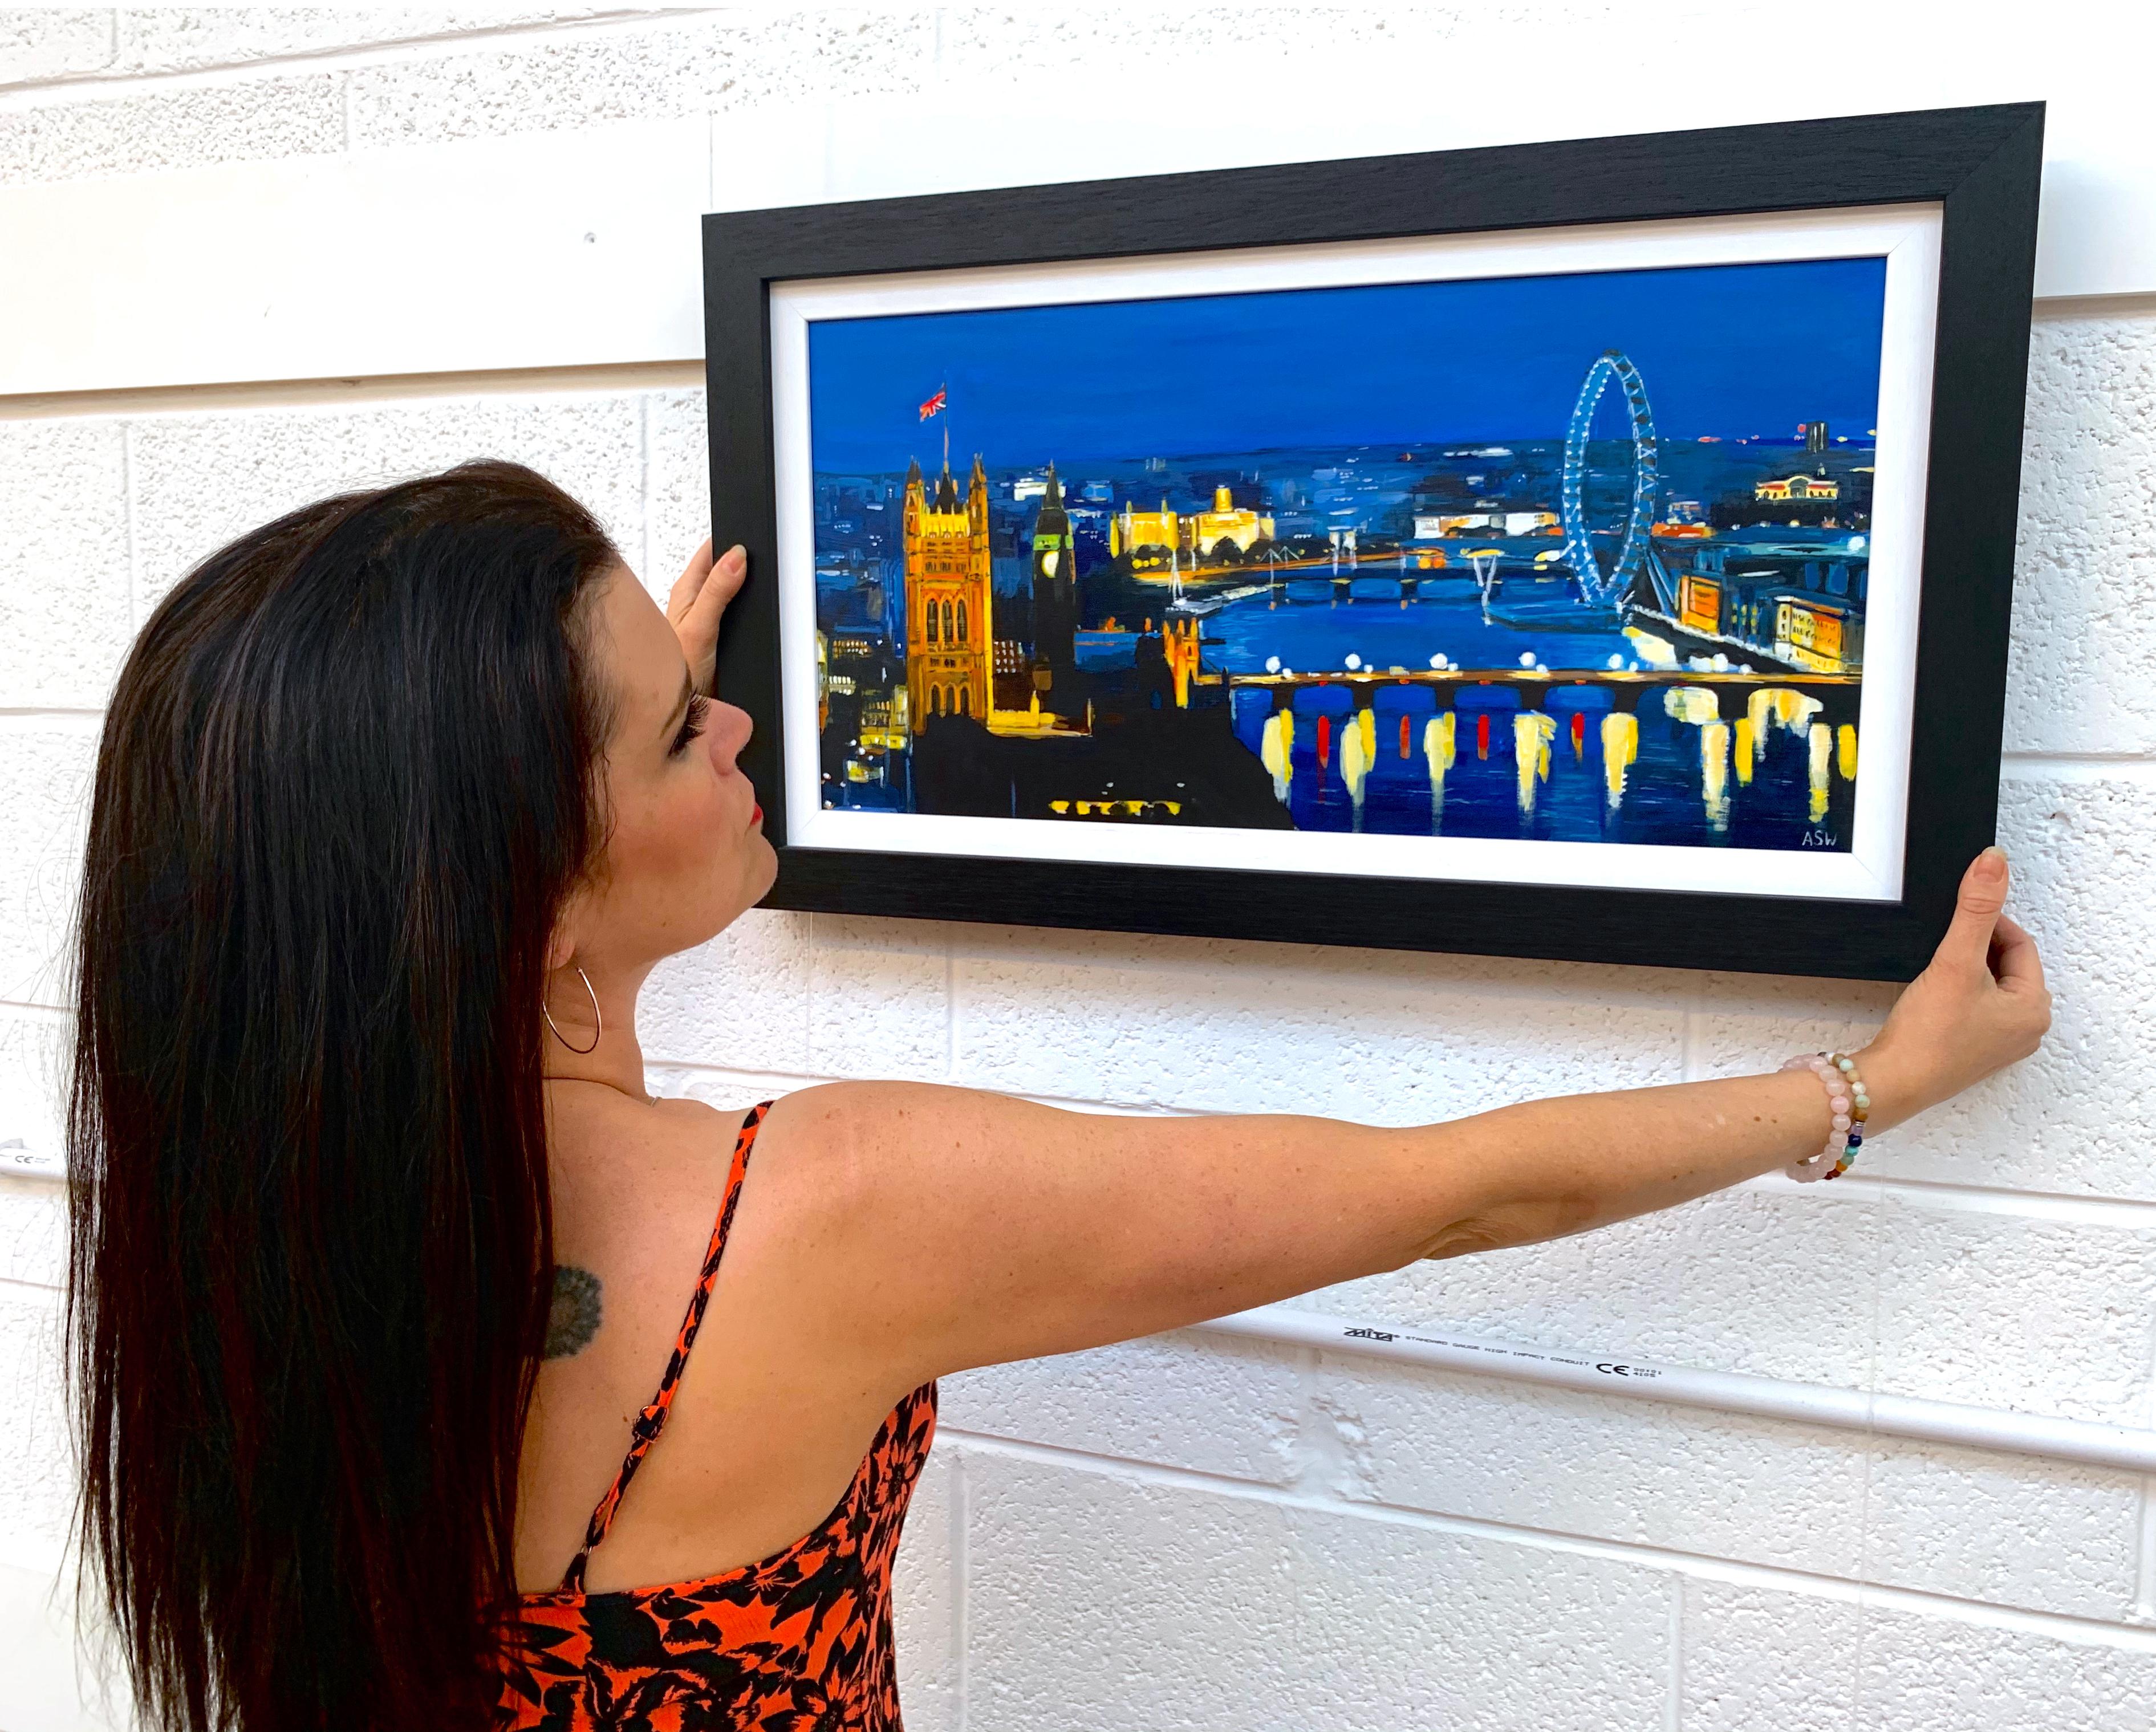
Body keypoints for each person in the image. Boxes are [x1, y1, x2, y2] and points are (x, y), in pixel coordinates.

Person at [67, 462, 2049, 1732]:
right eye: (686, 730)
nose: (740, 712)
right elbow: (1456, 1194)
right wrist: (1871, 1081)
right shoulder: (828, 1215)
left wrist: (603, 757)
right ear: (519, 877)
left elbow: (459, 908)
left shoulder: (257, 1196)